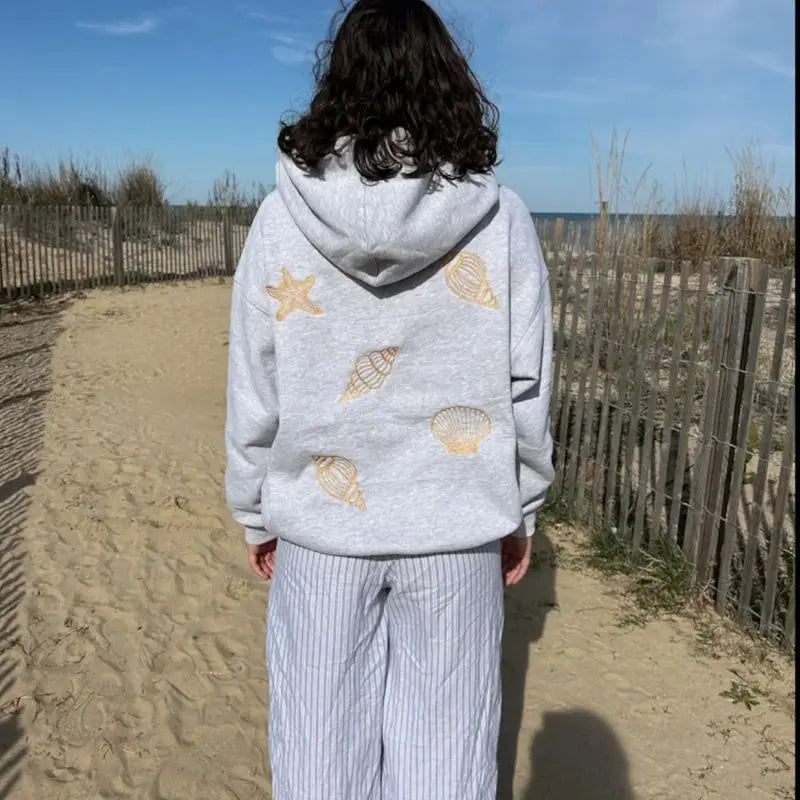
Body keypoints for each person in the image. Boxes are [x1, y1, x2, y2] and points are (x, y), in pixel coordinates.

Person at [224, 1, 554, 797]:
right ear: (449, 84)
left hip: (322, 535)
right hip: (454, 532)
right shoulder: (500, 218)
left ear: (337, 88)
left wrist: (256, 509)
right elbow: (528, 386)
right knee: (446, 764)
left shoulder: (281, 220)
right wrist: (522, 507)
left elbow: (255, 380)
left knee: (316, 759)